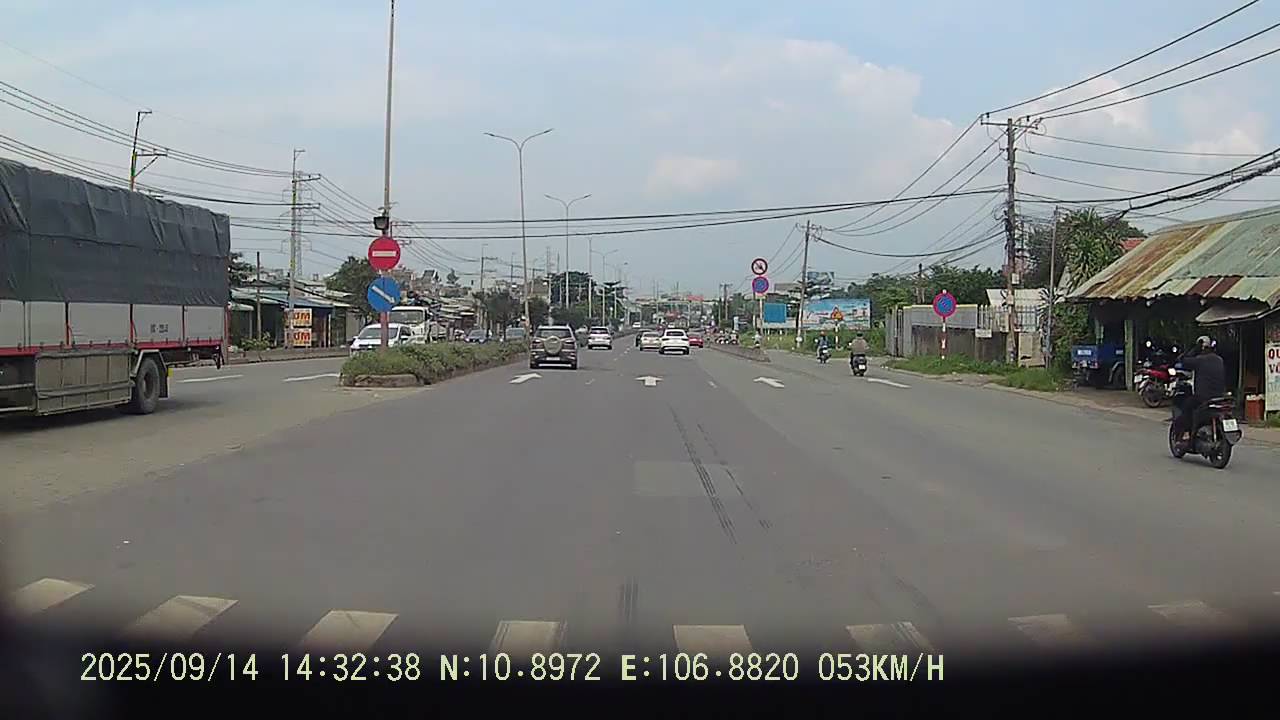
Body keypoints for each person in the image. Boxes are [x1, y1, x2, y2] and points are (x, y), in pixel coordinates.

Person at [1172, 335, 1226, 442]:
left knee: (1186, 408)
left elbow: (1182, 360)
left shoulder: (1200, 360)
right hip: (1219, 397)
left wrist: (1194, 349)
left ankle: (1187, 433)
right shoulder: (1219, 360)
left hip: (1203, 397)